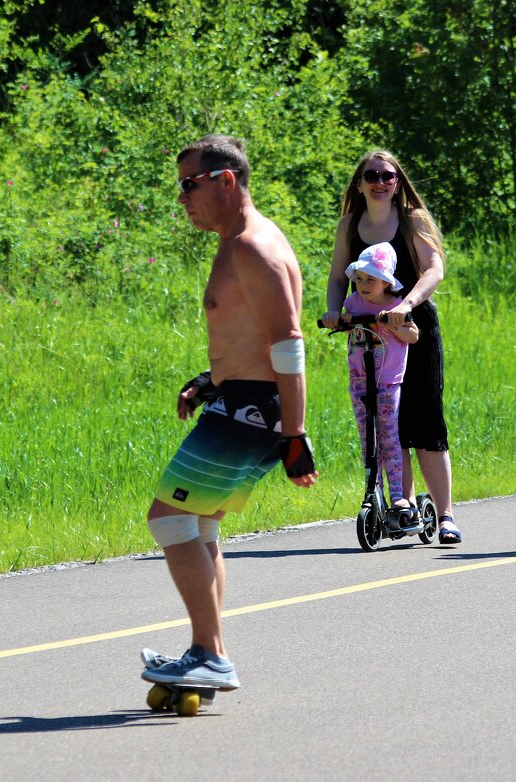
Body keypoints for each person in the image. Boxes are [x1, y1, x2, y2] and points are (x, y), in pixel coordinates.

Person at [140, 135, 317, 691]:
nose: (182, 199)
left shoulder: (249, 247)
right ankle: (207, 650)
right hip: (239, 399)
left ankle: (209, 656)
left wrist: (296, 434)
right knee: (200, 522)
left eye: (189, 185)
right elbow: (250, 337)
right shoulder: (241, 240)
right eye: (179, 188)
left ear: (226, 181)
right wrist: (207, 381)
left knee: (168, 518)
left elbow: (289, 343)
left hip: (252, 410)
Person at [321, 150, 462, 543]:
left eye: (388, 175)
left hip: (413, 325)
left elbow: (434, 269)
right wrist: (335, 312)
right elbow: (336, 277)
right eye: (372, 175)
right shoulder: (350, 225)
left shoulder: (412, 219)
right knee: (388, 424)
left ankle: (446, 513)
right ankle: (402, 504)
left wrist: (406, 305)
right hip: (369, 330)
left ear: (398, 181)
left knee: (426, 420)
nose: (380, 182)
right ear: (360, 182)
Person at [340, 242, 421, 523]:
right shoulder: (353, 302)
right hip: (360, 378)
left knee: (388, 437)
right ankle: (373, 492)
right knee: (367, 439)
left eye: (370, 279)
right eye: (360, 278)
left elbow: (413, 336)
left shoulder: (397, 306)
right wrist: (334, 319)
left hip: (387, 381)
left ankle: (398, 494)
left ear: (386, 281)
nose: (362, 284)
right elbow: (341, 319)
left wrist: (395, 324)